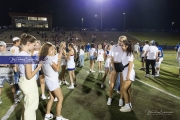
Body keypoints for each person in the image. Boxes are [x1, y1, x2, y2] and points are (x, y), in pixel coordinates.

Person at [39, 42, 68, 120]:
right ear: (47, 50)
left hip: (48, 81)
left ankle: (47, 115)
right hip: (52, 81)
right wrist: (59, 60)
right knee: (60, 98)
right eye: (51, 49)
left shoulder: (44, 58)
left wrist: (61, 49)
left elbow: (57, 55)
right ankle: (58, 117)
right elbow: (57, 69)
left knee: (51, 98)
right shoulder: (49, 58)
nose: (53, 50)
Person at [18, 34, 42, 120]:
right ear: (28, 43)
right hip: (28, 82)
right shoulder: (26, 56)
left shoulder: (20, 53)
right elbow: (29, 76)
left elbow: (17, 69)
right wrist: (39, 67)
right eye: (33, 44)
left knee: (27, 105)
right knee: (31, 108)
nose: (34, 46)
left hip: (22, 80)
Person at [107, 35, 127, 106]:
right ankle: (110, 98)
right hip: (114, 65)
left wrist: (124, 48)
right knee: (112, 84)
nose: (120, 42)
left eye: (122, 41)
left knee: (122, 84)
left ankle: (121, 99)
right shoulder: (114, 47)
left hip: (122, 66)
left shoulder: (126, 48)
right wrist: (113, 68)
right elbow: (111, 58)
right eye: (119, 40)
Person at [119, 40, 135, 112]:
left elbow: (130, 65)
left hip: (129, 73)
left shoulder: (129, 54)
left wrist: (128, 75)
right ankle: (128, 105)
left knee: (123, 90)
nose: (121, 47)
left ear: (127, 46)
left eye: (122, 45)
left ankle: (127, 106)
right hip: (125, 72)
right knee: (126, 90)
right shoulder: (125, 53)